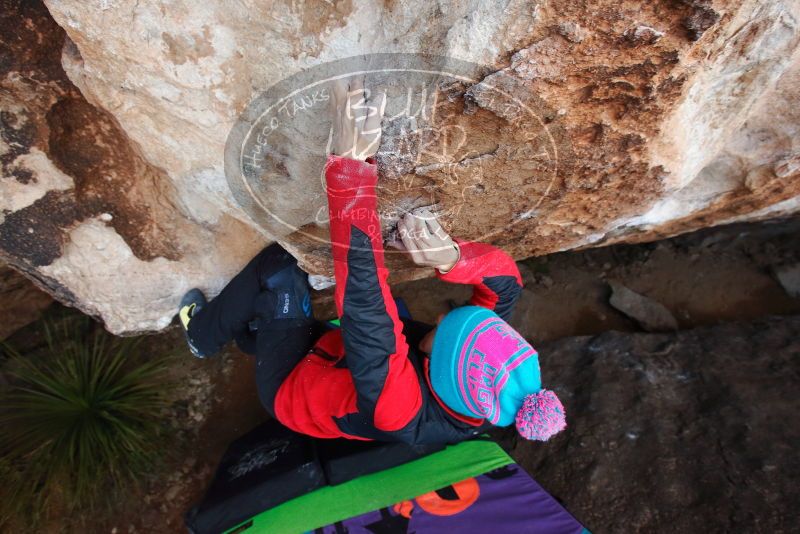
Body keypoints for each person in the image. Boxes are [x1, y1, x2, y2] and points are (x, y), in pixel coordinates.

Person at [177, 78, 565, 444]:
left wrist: (351, 165)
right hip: (338, 352)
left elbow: (365, 304)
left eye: (444, 331)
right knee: (336, 312)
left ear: (435, 369)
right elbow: (506, 283)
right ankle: (258, 331)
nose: (445, 316)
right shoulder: (484, 372)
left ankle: (202, 336)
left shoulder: (399, 410)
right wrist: (453, 259)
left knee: (280, 269)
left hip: (292, 383)